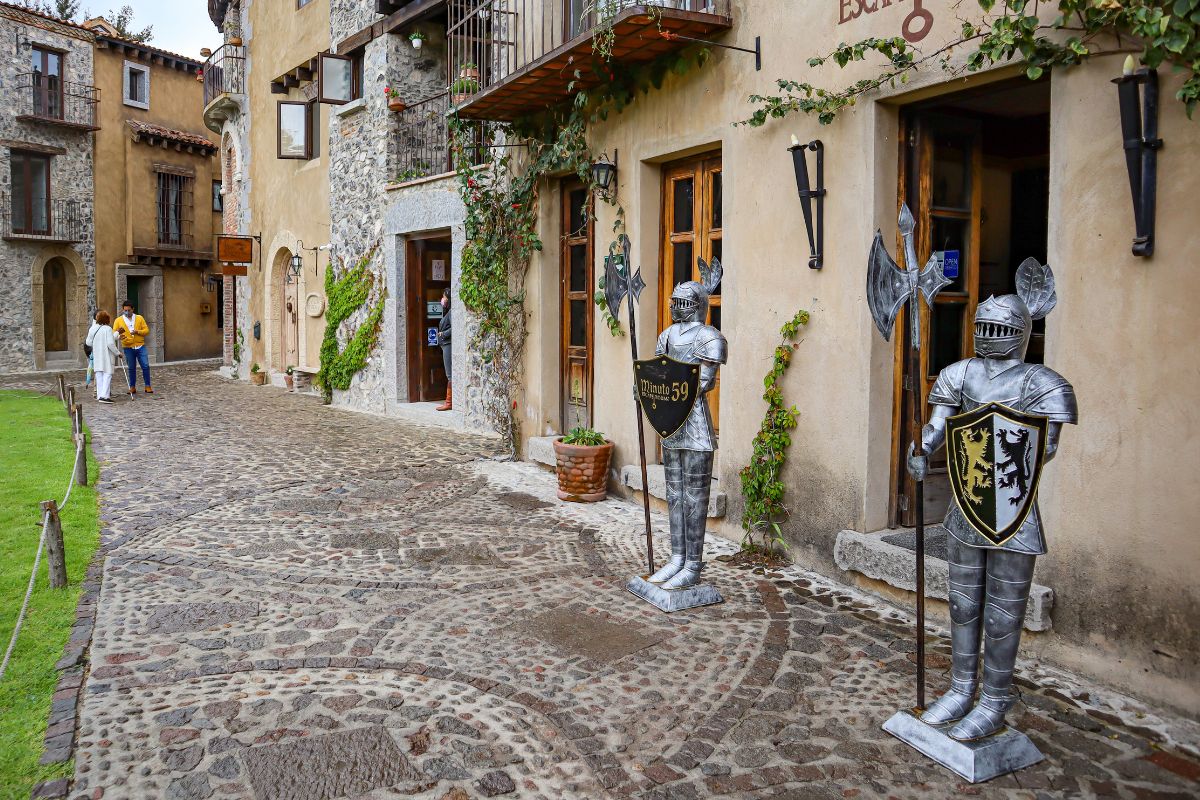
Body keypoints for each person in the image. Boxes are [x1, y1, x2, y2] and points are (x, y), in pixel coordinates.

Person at [114, 300, 152, 393]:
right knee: (131, 367)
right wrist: (119, 336)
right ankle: (132, 387)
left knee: (145, 366)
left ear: (133, 309)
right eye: (125, 310)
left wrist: (137, 331)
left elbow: (146, 330)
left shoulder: (139, 318)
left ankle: (148, 386)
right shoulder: (118, 320)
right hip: (128, 347)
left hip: (140, 346)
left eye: (129, 310)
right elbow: (114, 333)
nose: (127, 312)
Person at [89, 311, 120, 405]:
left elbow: (88, 342)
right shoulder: (108, 329)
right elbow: (110, 343)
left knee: (99, 375)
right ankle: (105, 396)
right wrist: (118, 353)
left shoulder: (93, 329)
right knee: (107, 374)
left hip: (97, 355)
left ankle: (100, 395)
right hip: (106, 356)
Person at [435, 288, 452, 411]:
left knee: (449, 374)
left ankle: (449, 402)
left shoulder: (451, 312)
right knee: (449, 374)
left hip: (448, 344)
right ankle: (449, 401)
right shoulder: (448, 311)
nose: (443, 299)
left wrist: (443, 334)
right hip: (445, 344)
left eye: (444, 297)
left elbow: (454, 327)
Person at [84, 310, 102, 387]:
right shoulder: (95, 327)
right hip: (94, 351)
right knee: (99, 371)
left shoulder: (100, 326)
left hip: (95, 350)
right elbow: (88, 342)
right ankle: (97, 390)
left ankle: (99, 389)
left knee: (98, 371)